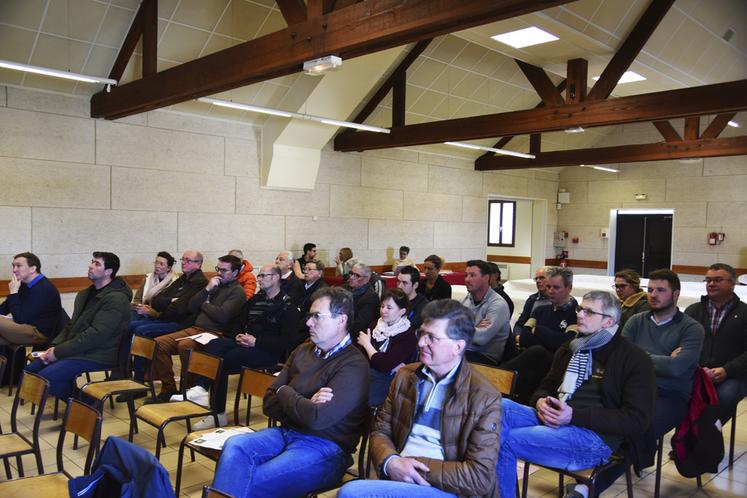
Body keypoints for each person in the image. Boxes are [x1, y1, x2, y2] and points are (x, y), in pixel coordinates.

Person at [211, 286, 369, 498]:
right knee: (235, 446)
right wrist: (303, 401)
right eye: (309, 316)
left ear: (341, 320)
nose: (308, 323)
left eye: (316, 317)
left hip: (326, 448)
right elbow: (268, 402)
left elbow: (316, 419)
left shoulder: (354, 364)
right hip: (287, 432)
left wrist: (285, 391)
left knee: (252, 481)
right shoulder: (302, 351)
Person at [497, 291, 656, 498]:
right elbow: (547, 385)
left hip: (594, 438)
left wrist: (574, 416)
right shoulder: (571, 347)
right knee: (497, 407)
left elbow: (636, 420)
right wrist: (540, 401)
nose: (579, 314)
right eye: (581, 308)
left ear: (608, 321)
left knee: (504, 441)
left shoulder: (633, 358)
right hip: (558, 419)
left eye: (589, 312)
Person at [338, 299, 502, 498]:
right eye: (421, 333)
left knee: (352, 493)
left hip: (446, 488)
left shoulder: (484, 396)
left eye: (432, 337)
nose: (421, 343)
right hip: (399, 474)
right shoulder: (405, 376)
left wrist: (410, 467)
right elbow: (380, 430)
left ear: (458, 347)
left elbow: (479, 477)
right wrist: (391, 461)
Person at [186, 264, 303, 428]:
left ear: (276, 278)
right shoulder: (256, 299)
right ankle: (202, 388)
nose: (259, 279)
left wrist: (256, 341)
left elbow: (287, 340)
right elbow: (237, 322)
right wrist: (238, 335)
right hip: (245, 342)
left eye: (263, 276)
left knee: (228, 359)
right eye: (259, 275)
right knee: (214, 345)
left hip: (267, 350)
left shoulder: (288, 306)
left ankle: (217, 412)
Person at [25, 252, 131, 401]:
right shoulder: (86, 294)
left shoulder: (116, 299)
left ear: (109, 272)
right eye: (92, 262)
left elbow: (95, 335)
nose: (91, 266)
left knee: (46, 379)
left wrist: (59, 352)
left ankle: (87, 405)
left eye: (97, 264)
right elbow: (70, 326)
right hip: (80, 349)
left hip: (100, 353)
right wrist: (54, 347)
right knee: (30, 371)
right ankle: (81, 402)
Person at [145, 255, 246, 403]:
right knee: (159, 343)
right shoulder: (213, 285)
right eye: (218, 269)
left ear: (236, 273)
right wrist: (207, 289)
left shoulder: (237, 292)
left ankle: (189, 390)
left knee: (185, 346)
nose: (219, 273)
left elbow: (222, 316)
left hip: (214, 333)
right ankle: (169, 388)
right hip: (195, 328)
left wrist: (204, 305)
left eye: (224, 270)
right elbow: (192, 306)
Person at [623, 269, 704, 438]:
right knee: (601, 416)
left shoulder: (692, 328)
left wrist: (638, 356)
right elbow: (621, 358)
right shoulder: (636, 321)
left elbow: (676, 368)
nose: (653, 295)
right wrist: (665, 359)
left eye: (661, 290)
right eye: (650, 290)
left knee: (643, 426)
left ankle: (627, 462)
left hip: (670, 395)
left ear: (676, 294)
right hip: (632, 388)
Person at [685, 263, 747, 424]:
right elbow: (683, 343)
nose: (711, 284)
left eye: (718, 280)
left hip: (733, 375)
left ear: (733, 284)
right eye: (708, 280)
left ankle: (703, 440)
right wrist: (698, 368)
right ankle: (688, 440)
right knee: (677, 393)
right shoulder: (693, 311)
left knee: (724, 397)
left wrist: (726, 370)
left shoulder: (745, 313)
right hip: (697, 370)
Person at [356, 288, 417, 407]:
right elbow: (360, 355)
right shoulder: (375, 325)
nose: (383, 310)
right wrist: (377, 359)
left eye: (389, 308)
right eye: (382, 306)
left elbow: (384, 364)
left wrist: (367, 344)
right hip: (365, 374)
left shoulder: (407, 336)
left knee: (361, 399)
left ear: (402, 311)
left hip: (388, 382)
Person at [129, 250, 208, 340]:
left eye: (188, 260)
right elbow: (156, 300)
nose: (183, 263)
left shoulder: (200, 282)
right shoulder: (183, 278)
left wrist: (167, 305)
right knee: (130, 325)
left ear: (198, 264)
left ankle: (144, 354)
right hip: (166, 319)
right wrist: (171, 300)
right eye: (182, 259)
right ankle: (127, 354)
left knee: (140, 330)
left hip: (181, 323)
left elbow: (180, 308)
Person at [0, 252, 62, 347]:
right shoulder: (23, 284)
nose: (14, 270)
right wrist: (13, 294)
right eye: (13, 266)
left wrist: (13, 293)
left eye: (18, 266)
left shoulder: (43, 288)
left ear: (33, 269)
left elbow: (21, 320)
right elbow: (4, 308)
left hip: (38, 333)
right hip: (24, 327)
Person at [461, 260, 511, 365]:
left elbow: (480, 338)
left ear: (486, 278)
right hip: (465, 350)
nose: (467, 279)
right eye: (466, 275)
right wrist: (474, 327)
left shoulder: (498, 304)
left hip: (485, 358)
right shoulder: (466, 300)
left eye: (472, 275)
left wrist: (458, 327)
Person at [517, 266, 578, 352]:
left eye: (556, 287)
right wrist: (551, 340)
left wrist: (538, 331)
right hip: (532, 359)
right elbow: (524, 338)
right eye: (548, 287)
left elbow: (566, 343)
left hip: (555, 363)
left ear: (569, 287)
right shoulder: (540, 310)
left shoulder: (576, 314)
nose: (550, 291)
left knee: (538, 351)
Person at [344, 262, 380, 336]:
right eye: (351, 273)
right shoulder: (345, 287)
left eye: (356, 275)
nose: (351, 277)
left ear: (366, 279)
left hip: (354, 335)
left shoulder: (370, 297)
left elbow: (359, 326)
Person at [513, 266, 550, 335]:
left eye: (542, 278)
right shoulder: (532, 299)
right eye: (536, 279)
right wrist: (517, 336)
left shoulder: (561, 301)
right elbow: (520, 324)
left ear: (552, 279)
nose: (538, 281)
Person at [396, 265, 428, 331]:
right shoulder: (394, 300)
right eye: (398, 281)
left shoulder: (423, 305)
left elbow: (412, 326)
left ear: (415, 285)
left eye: (405, 283)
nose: (399, 286)